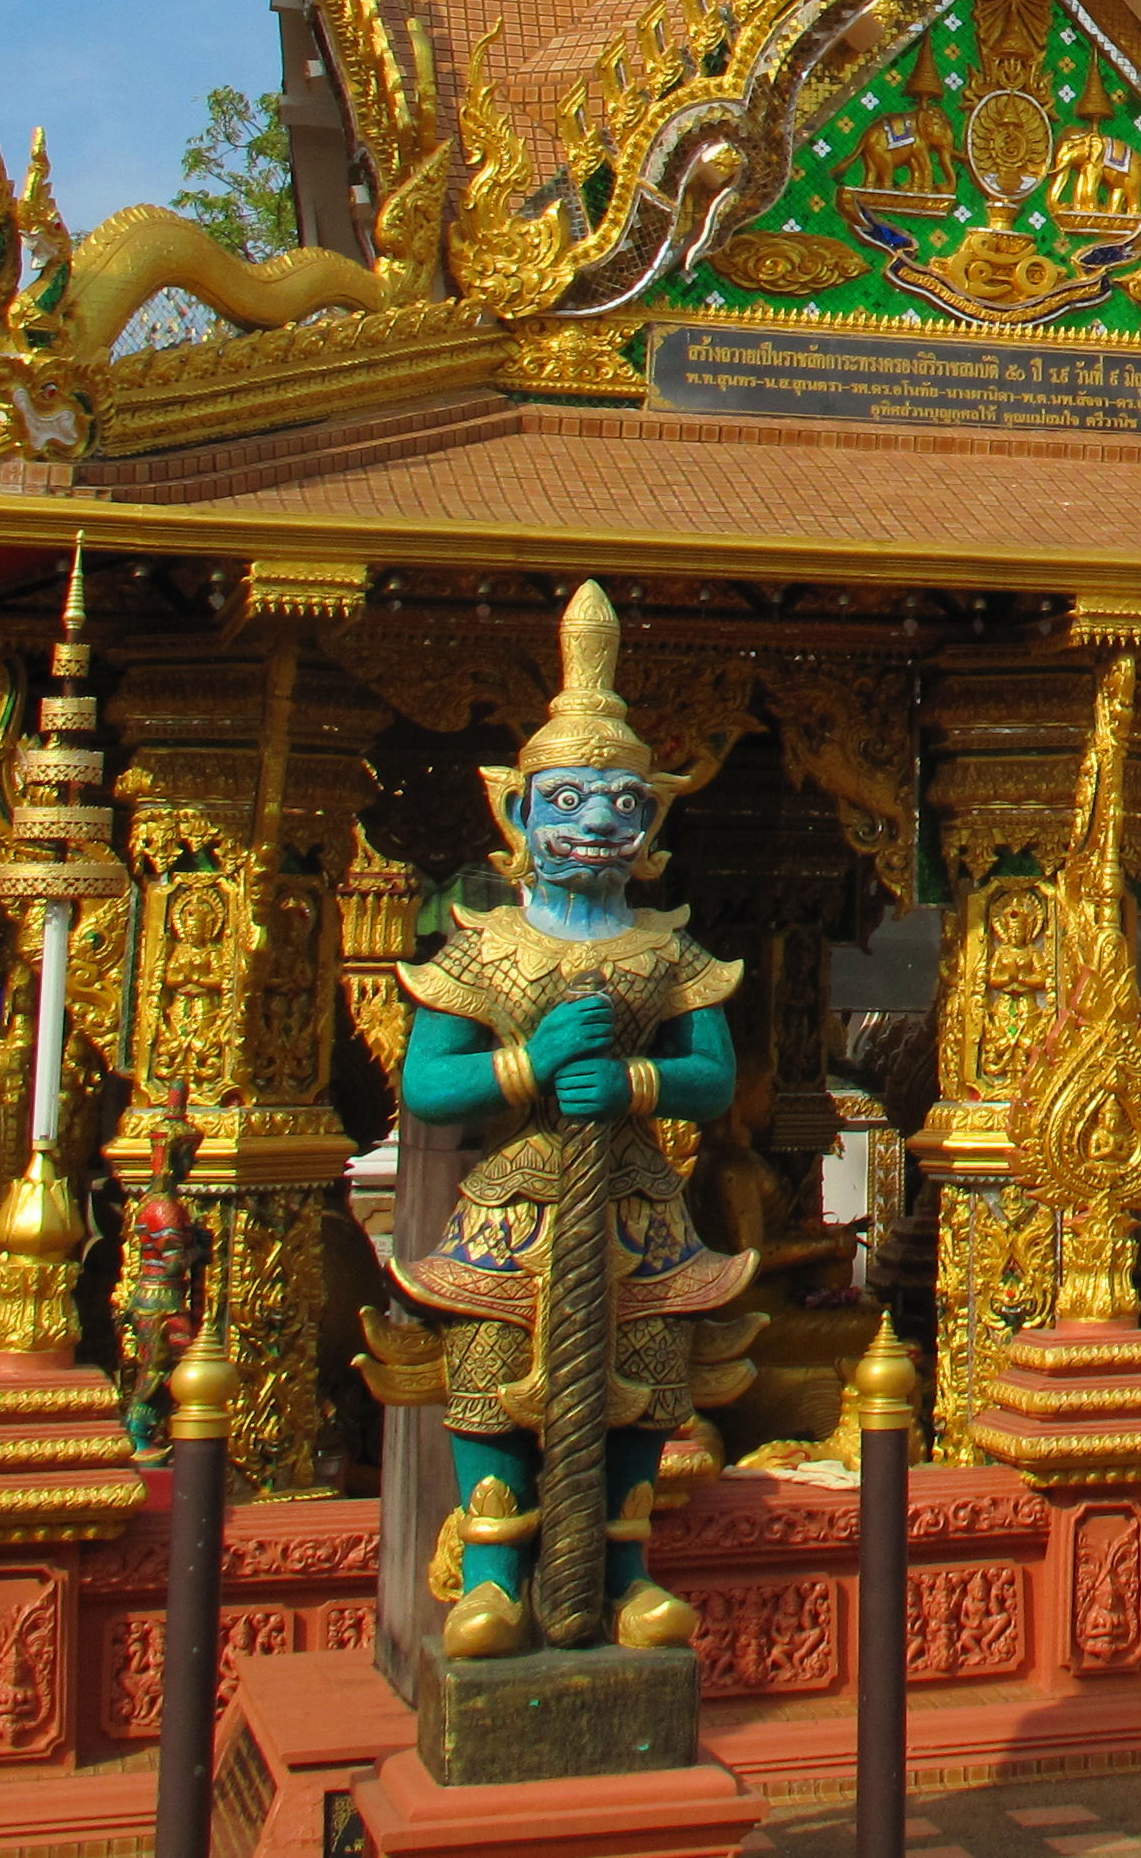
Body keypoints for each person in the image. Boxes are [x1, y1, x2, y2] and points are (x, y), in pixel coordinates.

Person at [391, 582, 754, 1658]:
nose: (599, 820)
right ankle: (495, 1578)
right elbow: (427, 1088)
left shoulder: (665, 950)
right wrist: (527, 1065)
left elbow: (713, 1076)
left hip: (636, 1206)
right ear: (520, 812)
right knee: (490, 1380)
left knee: (640, 1382)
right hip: (516, 1205)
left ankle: (627, 1571)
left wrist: (638, 1086)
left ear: (651, 821)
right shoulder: (486, 948)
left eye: (622, 803)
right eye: (571, 800)